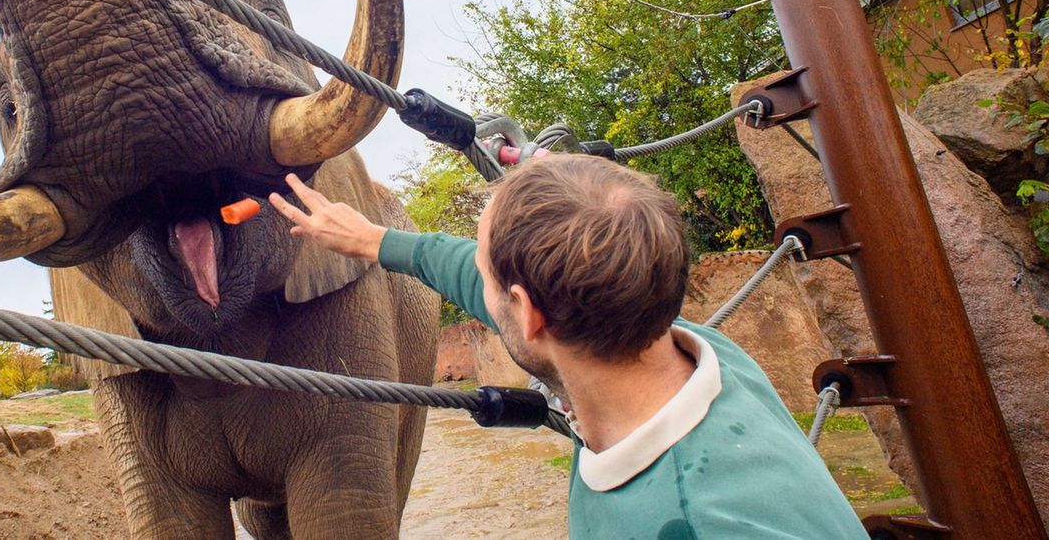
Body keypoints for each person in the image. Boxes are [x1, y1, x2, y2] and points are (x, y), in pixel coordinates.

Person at [268, 154, 868, 538]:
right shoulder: (706, 351)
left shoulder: (701, 520)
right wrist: (376, 241)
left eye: (484, 274)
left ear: (527, 313)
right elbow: (467, 269)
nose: (474, 281)